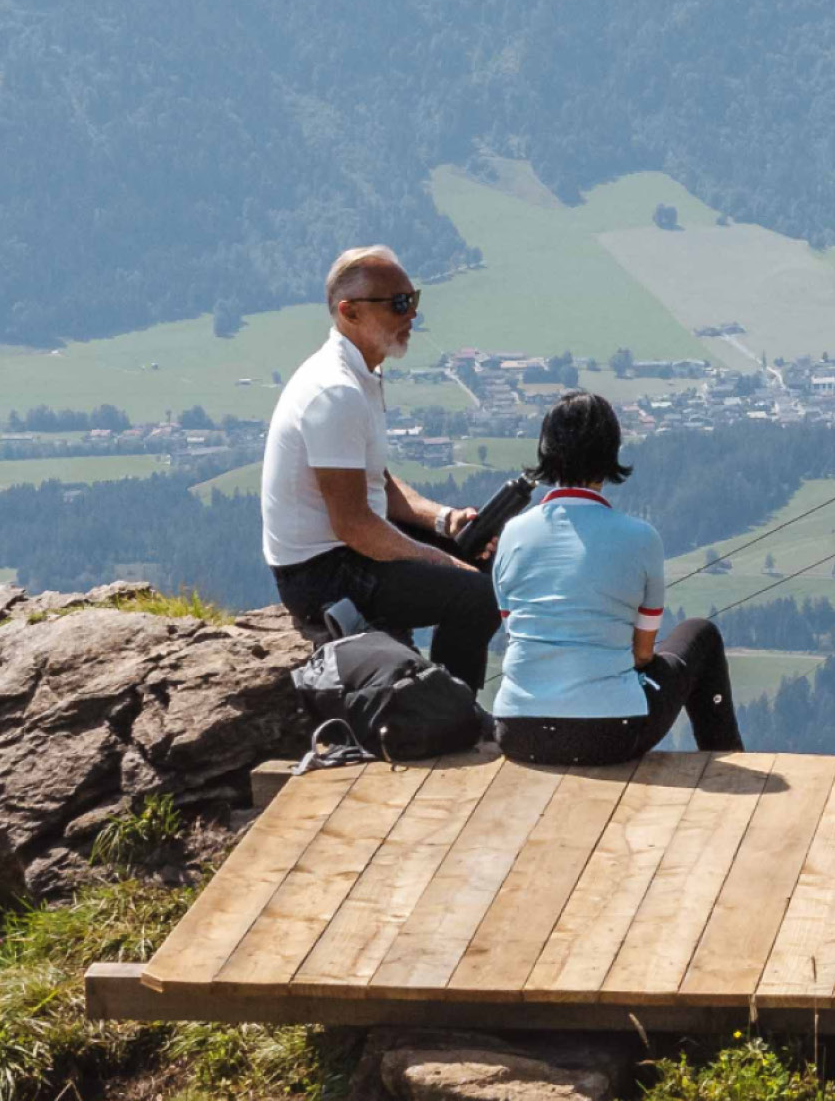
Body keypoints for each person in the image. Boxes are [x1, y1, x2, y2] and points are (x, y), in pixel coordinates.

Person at [261, 245, 499, 685]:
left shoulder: (359, 375)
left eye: (413, 300)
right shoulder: (335, 391)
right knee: (477, 595)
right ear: (349, 312)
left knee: (479, 551)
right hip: (321, 576)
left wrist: (445, 522)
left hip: (340, 551)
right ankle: (454, 708)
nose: (411, 315)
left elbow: (378, 482)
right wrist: (441, 564)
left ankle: (441, 691)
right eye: (398, 304)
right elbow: (354, 524)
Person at [484, 389, 742, 765]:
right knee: (700, 634)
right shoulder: (640, 538)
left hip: (517, 730)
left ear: (546, 451)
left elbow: (514, 630)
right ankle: (727, 762)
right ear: (611, 454)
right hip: (609, 733)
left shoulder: (513, 533)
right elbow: (642, 653)